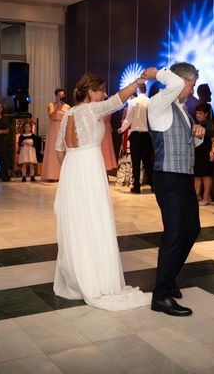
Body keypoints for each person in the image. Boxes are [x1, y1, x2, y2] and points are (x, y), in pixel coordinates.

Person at [53, 72, 152, 310]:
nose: (104, 94)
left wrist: (70, 173)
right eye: (101, 90)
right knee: (94, 221)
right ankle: (94, 279)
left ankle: (76, 277)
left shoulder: (69, 113)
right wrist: (138, 83)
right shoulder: (90, 110)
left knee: (76, 224)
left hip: (71, 170)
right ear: (90, 92)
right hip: (88, 169)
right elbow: (118, 99)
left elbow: (59, 149)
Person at [147, 62, 206, 316]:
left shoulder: (182, 109)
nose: (192, 91)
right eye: (191, 85)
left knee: (192, 229)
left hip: (183, 177)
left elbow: (188, 140)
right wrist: (155, 74)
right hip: (168, 177)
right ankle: (160, 296)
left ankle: (169, 278)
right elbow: (174, 84)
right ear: (181, 81)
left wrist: (199, 133)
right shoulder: (158, 104)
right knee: (173, 234)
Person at [118, 83, 153, 193]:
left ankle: (136, 186)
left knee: (136, 161)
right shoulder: (150, 102)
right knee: (148, 162)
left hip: (135, 136)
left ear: (138, 90)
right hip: (147, 135)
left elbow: (129, 119)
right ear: (145, 90)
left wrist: (122, 129)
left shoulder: (132, 102)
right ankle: (153, 185)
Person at [41, 88, 70, 181]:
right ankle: (51, 175)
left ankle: (62, 175)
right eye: (59, 95)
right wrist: (58, 107)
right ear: (56, 96)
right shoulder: (51, 105)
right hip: (53, 129)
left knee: (62, 151)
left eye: (62, 95)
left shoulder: (67, 107)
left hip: (63, 129)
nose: (61, 97)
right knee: (52, 151)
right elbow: (52, 116)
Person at [193, 103, 214, 206]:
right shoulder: (195, 124)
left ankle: (207, 197)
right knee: (197, 175)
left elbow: (213, 140)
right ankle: (197, 196)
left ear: (206, 114)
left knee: (206, 175)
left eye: (200, 113)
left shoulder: (210, 124)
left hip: (206, 153)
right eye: (197, 113)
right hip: (197, 153)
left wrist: (213, 152)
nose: (198, 115)